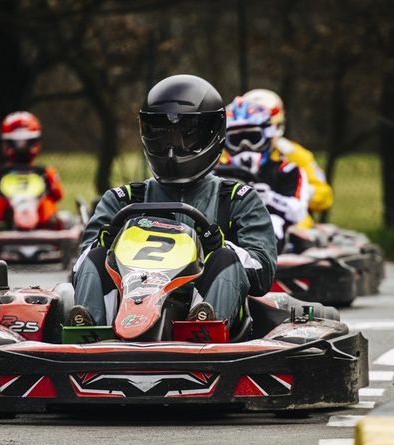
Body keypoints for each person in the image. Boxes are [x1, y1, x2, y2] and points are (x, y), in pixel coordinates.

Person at [69, 74, 277, 329]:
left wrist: (218, 246)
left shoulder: (236, 198)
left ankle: (203, 327)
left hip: (203, 303)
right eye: (162, 136)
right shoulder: (122, 200)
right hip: (128, 303)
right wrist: (107, 240)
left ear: (213, 133)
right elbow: (79, 270)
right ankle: (89, 333)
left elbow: (263, 271)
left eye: (186, 135)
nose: (171, 149)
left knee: (225, 258)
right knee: (96, 255)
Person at [221, 96, 309, 252]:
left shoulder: (287, 170)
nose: (245, 146)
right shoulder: (216, 172)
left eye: (252, 138)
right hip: (223, 233)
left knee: (273, 223)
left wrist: (270, 198)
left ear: (267, 137)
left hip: (274, 241)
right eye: (237, 140)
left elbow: (298, 211)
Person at [242, 89, 333, 226]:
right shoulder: (228, 155)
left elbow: (325, 196)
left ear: (277, 126)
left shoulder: (294, 154)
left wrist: (294, 190)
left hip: (292, 227)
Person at [0, 111, 64, 229]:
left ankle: (55, 240)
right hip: (6, 221)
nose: (21, 146)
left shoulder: (46, 172)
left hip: (38, 219)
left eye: (26, 142)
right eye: (17, 142)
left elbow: (57, 194)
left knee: (48, 206)